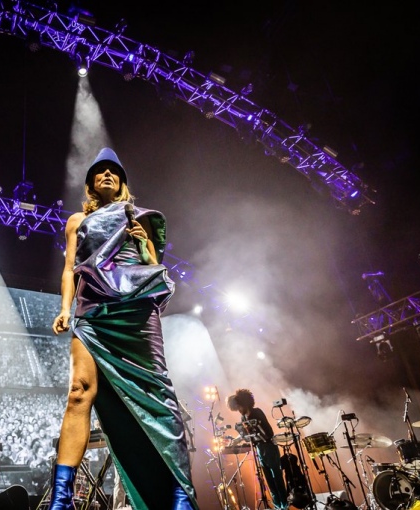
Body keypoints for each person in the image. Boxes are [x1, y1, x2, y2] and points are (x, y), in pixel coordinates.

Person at [50, 148, 198, 509]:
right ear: (89, 183)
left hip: (134, 307)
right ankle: (60, 499)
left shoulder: (141, 216)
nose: (106, 174)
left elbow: (153, 265)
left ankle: (179, 492)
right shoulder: (75, 222)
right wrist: (64, 308)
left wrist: (142, 241)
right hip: (92, 308)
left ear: (121, 183)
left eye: (112, 171)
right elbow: (70, 268)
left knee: (158, 394)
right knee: (79, 392)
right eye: (99, 171)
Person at [226, 388, 289, 510]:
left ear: (244, 404)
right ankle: (277, 506)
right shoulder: (243, 418)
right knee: (269, 479)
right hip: (259, 449)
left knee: (277, 476)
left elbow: (268, 432)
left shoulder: (257, 412)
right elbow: (245, 432)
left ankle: (284, 505)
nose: (239, 411)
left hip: (269, 446)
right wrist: (237, 440)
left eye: (239, 407)